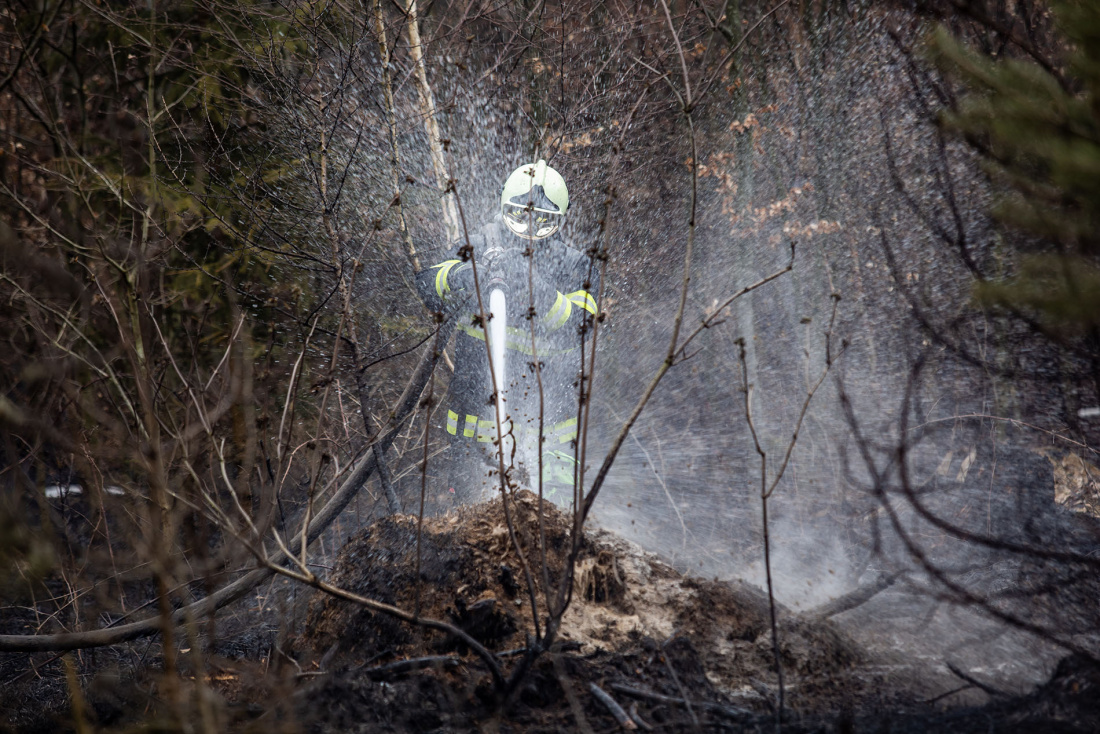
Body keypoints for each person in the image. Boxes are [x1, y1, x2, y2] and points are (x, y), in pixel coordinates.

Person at [416, 159, 598, 504]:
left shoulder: (575, 266)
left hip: (552, 440)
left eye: (543, 220)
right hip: (473, 437)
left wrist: (537, 290)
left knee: (552, 529)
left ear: (559, 221)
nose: (529, 225)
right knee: (472, 533)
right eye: (520, 214)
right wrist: (460, 277)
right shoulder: (478, 243)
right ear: (503, 207)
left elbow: (583, 326)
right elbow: (427, 283)